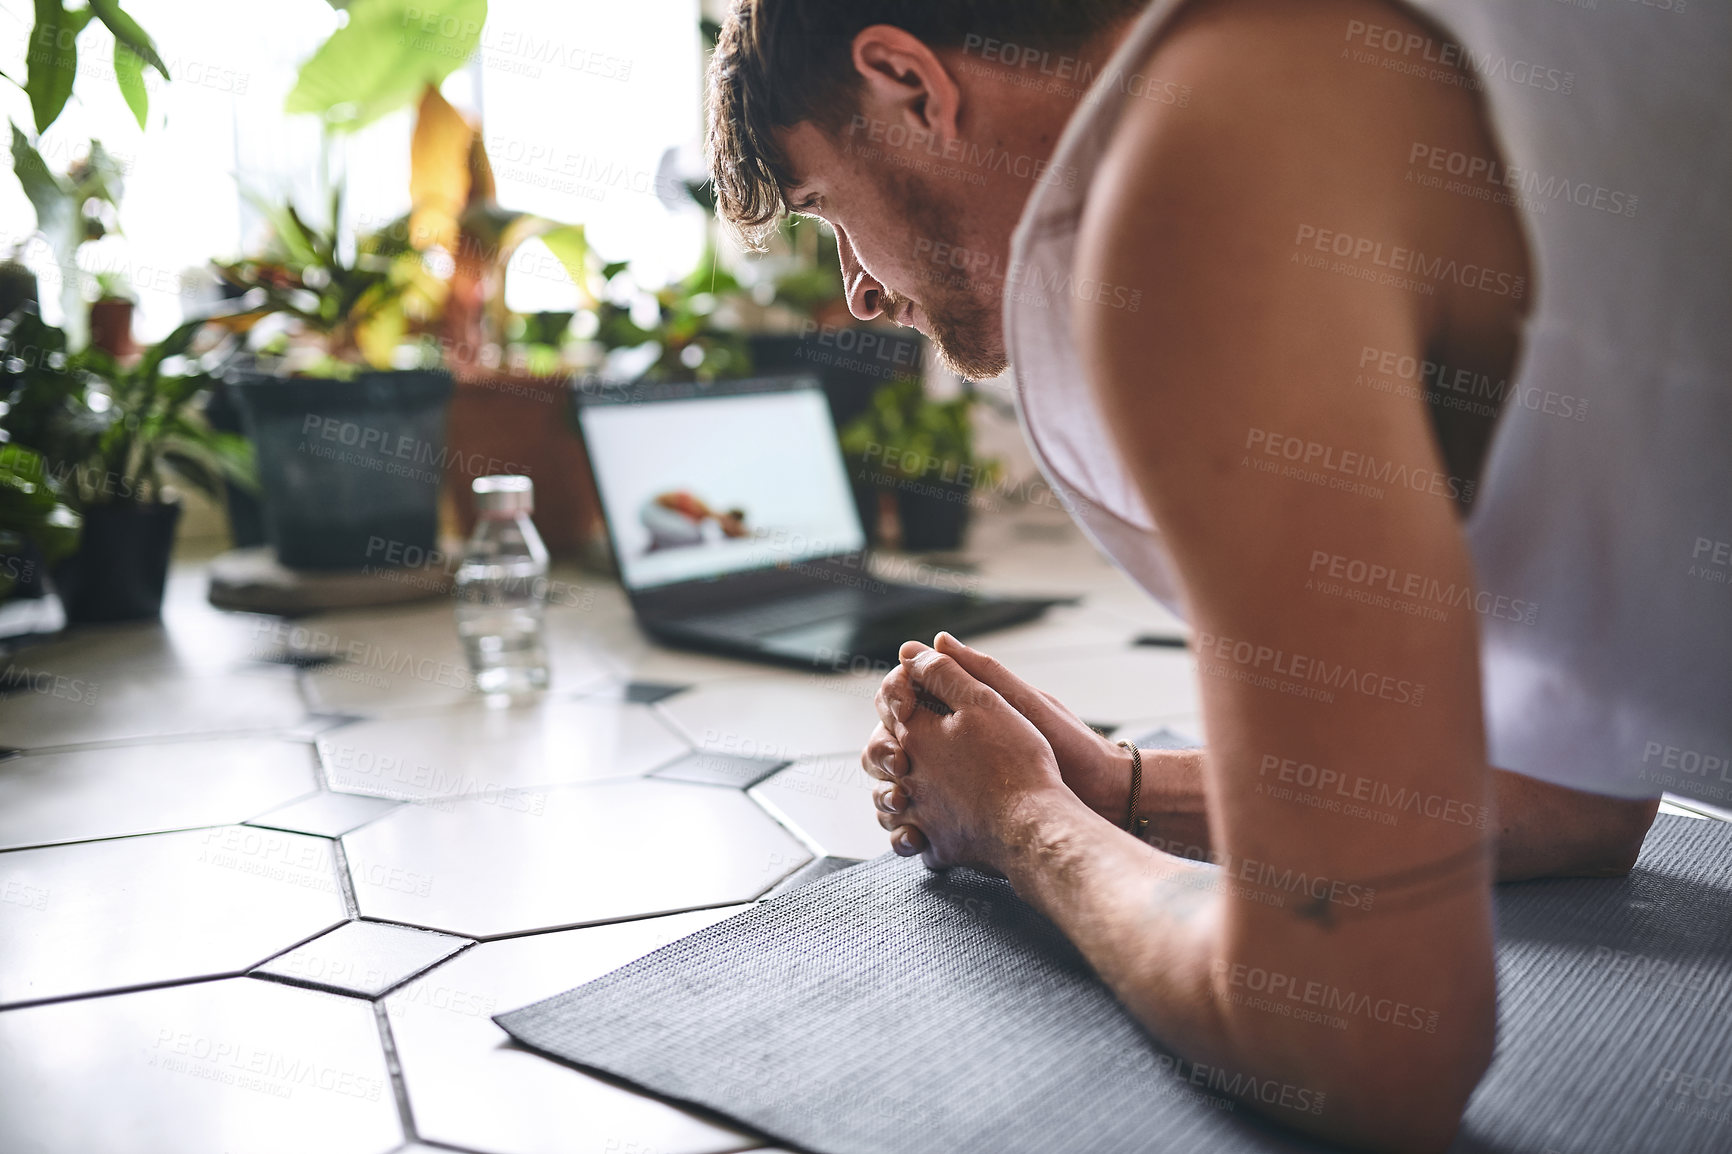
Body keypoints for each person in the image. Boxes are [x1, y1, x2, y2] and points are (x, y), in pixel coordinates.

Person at [704, 0, 1731, 1149]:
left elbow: (1360, 1041)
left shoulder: (1203, 167)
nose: (857, 288)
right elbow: (1582, 795)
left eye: (827, 209)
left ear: (908, 82)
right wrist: (1121, 787)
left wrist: (1024, 821)